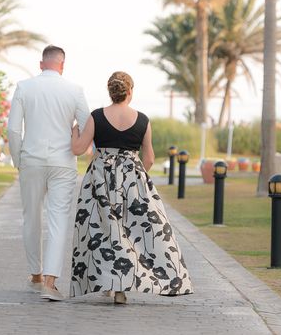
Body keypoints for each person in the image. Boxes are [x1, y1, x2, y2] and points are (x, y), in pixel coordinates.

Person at [69, 71, 193, 304]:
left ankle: (112, 284)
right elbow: (150, 157)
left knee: (104, 232)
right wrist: (136, 174)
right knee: (132, 231)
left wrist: (74, 130)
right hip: (133, 181)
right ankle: (129, 285)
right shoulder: (143, 120)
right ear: (130, 91)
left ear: (110, 92)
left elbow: (78, 149)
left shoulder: (97, 116)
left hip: (101, 179)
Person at [8, 45, 90, 301]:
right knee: (58, 220)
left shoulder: (24, 87)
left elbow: (13, 130)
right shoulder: (75, 91)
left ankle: (35, 274)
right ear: (62, 65)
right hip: (63, 162)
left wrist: (18, 159)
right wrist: (78, 142)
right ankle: (50, 281)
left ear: (41, 64)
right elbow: (88, 125)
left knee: (31, 217)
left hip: (31, 160)